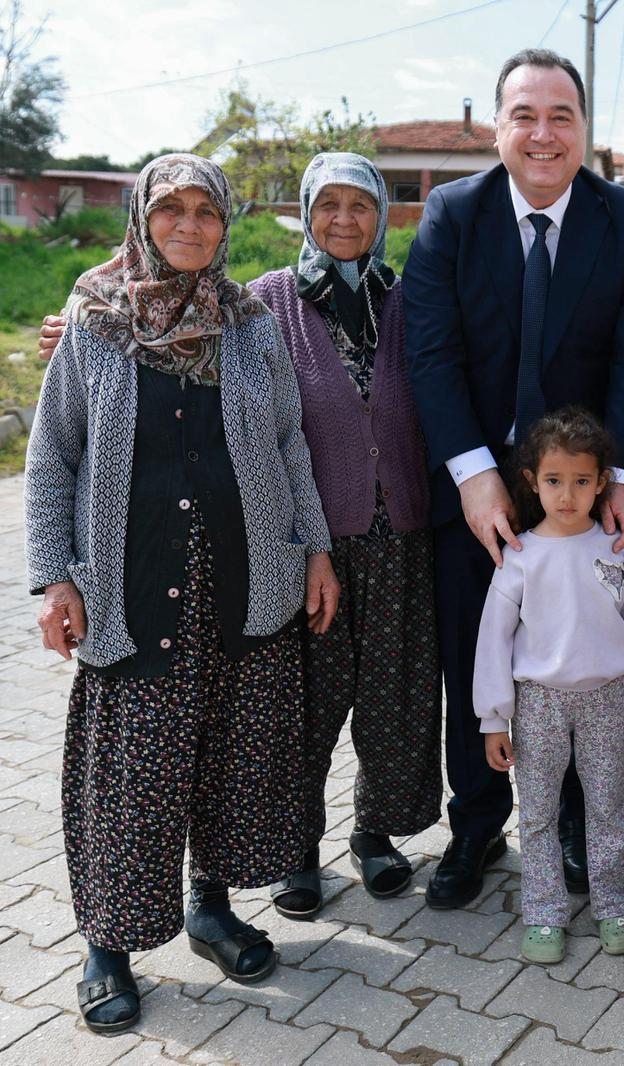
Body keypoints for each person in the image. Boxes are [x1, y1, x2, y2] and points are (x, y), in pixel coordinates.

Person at [24, 154, 335, 1033]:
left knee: (230, 760)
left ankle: (210, 907)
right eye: (171, 210)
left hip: (242, 585)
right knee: (131, 776)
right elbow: (50, 459)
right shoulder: (93, 325)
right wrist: (54, 578)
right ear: (143, 218)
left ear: (226, 223)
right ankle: (106, 947)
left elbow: (289, 445)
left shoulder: (250, 324)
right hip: (131, 591)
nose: (189, 226)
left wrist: (312, 550)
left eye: (206, 211)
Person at [406, 48, 624, 907]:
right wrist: (475, 475)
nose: (543, 133)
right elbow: (430, 348)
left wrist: (620, 479)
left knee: (574, 666)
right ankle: (477, 823)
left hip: (580, 491)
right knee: (472, 659)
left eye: (561, 115)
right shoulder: (451, 212)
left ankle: (568, 828)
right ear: (497, 126)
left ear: (584, 129)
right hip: (478, 486)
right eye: (525, 114)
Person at [243, 153, 440, 916]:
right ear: (306, 211)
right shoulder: (265, 303)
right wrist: (79, 319)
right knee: (308, 700)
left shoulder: (408, 301)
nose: (345, 220)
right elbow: (179, 318)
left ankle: (377, 834)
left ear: (383, 215)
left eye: (361, 204)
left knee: (396, 694)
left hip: (404, 533)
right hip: (312, 544)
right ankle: (295, 851)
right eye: (329, 204)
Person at [474, 408, 624, 964]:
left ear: (601, 482)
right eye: (554, 481)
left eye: (582, 481)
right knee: (536, 812)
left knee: (607, 805)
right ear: (532, 480)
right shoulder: (520, 556)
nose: (567, 494)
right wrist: (494, 717)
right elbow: (494, 640)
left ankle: (614, 904)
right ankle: (544, 912)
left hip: (606, 697)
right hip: (539, 703)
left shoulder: (615, 550)